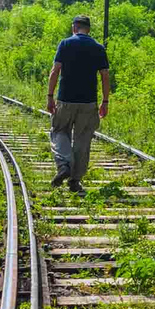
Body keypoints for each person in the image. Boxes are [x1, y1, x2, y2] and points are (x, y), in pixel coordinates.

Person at [47, 15, 110, 194]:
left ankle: (63, 164)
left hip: (65, 100)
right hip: (88, 102)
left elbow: (55, 71)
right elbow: (105, 76)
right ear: (88, 29)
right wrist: (105, 101)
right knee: (83, 139)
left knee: (59, 131)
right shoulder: (98, 48)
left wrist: (50, 96)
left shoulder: (65, 44)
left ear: (74, 27)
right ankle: (75, 181)